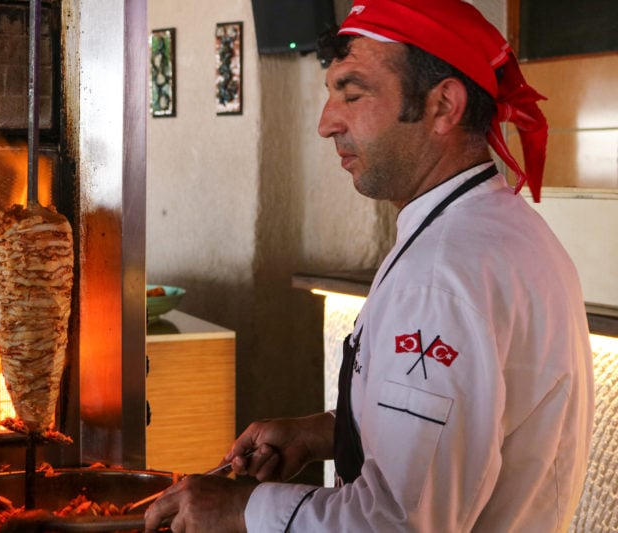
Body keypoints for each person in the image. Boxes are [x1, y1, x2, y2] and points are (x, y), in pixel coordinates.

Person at [143, 1, 594, 531]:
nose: (326, 122)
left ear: (443, 106)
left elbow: (398, 522)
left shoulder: (441, 274)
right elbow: (473, 425)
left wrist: (240, 508)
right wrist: (331, 432)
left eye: (353, 94)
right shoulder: (495, 227)